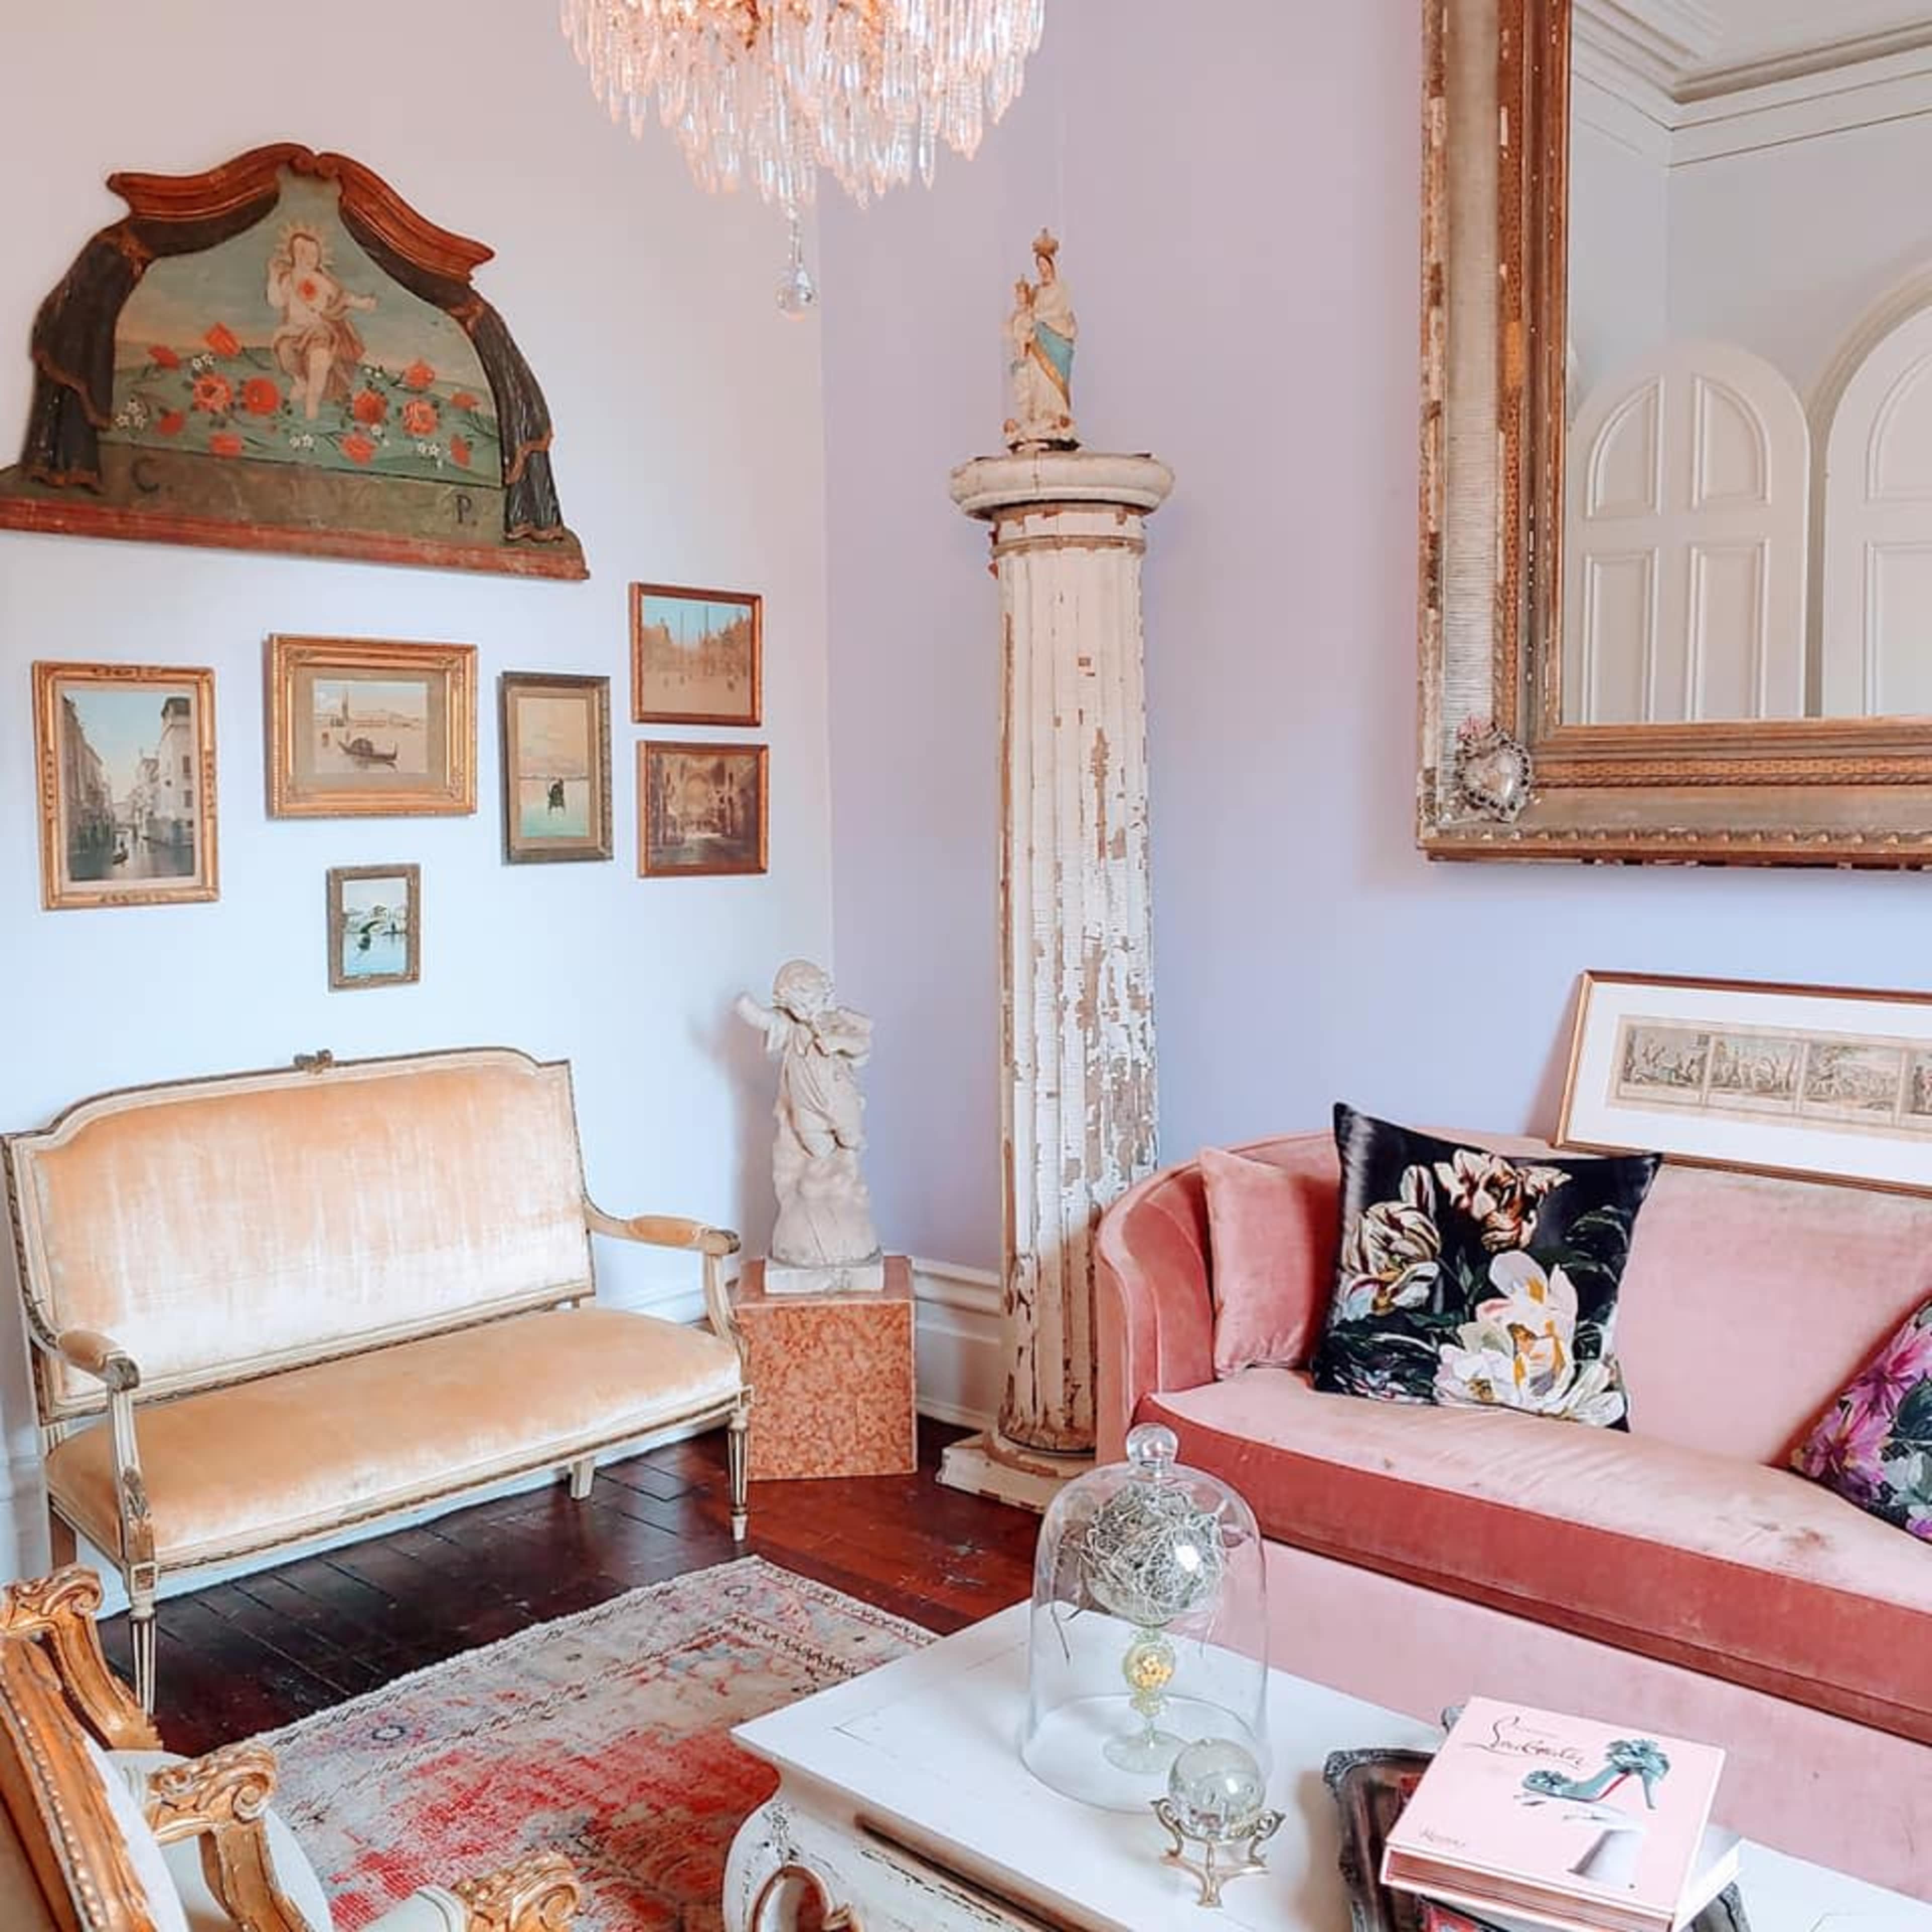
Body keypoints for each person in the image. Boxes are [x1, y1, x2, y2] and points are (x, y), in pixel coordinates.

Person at [735, 961, 880, 1269]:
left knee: (850, 1136)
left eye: (812, 1001)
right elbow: (764, 1020)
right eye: (798, 1005)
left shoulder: (835, 1020)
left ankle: (845, 1172)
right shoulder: (791, 1027)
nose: (806, 1009)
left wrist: (838, 1041)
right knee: (814, 1142)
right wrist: (747, 1008)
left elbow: (864, 1041)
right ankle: (822, 1182)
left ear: (824, 996)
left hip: (839, 1095)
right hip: (807, 1103)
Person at [267, 225, 378, 422]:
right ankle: (301, 382)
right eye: (301, 252)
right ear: (292, 254)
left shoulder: (320, 280)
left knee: (319, 360)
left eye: (312, 254)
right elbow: (276, 301)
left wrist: (362, 303)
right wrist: (273, 278)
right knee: (286, 355)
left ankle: (313, 400)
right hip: (293, 332)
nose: (307, 258)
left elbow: (343, 298)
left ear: (319, 257)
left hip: (319, 330)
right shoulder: (289, 279)